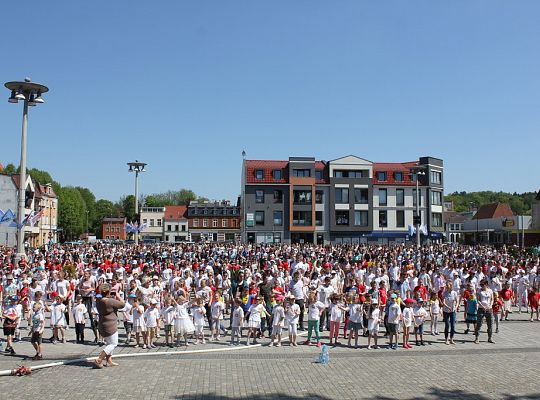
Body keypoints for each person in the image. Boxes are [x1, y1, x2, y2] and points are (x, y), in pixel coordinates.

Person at [94, 283, 125, 369]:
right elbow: (122, 304)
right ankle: (100, 359)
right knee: (113, 344)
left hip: (102, 325)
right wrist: (118, 296)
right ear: (109, 291)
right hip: (110, 326)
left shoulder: (98, 300)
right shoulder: (110, 301)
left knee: (109, 343)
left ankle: (109, 361)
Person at [474, 280, 494, 344]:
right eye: (481, 285)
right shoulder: (479, 290)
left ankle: (490, 338)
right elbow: (478, 300)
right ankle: (477, 337)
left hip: (489, 309)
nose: (481, 286)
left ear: (486, 284)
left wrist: (490, 306)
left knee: (490, 324)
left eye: (483, 285)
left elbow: (492, 299)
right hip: (481, 309)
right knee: (479, 324)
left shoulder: (490, 290)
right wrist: (483, 307)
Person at [441, 281, 458, 345]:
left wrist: (456, 307)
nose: (447, 287)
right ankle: (446, 339)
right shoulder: (445, 293)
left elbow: (457, 301)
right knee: (447, 325)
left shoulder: (454, 293)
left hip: (452, 311)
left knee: (453, 325)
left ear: (451, 286)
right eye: (446, 286)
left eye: (448, 286)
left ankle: (452, 338)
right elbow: (444, 302)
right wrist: (448, 307)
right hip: (446, 311)